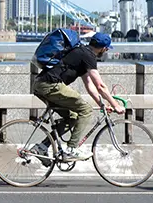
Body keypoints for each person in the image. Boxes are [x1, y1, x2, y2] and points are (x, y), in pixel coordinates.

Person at [32, 30, 125, 158]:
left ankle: (42, 147)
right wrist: (116, 105)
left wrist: (102, 104)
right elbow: (100, 86)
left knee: (73, 117)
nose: (106, 51)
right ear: (103, 48)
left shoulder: (82, 52)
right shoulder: (88, 56)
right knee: (86, 110)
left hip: (42, 84)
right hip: (50, 85)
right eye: (107, 49)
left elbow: (90, 86)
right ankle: (71, 150)